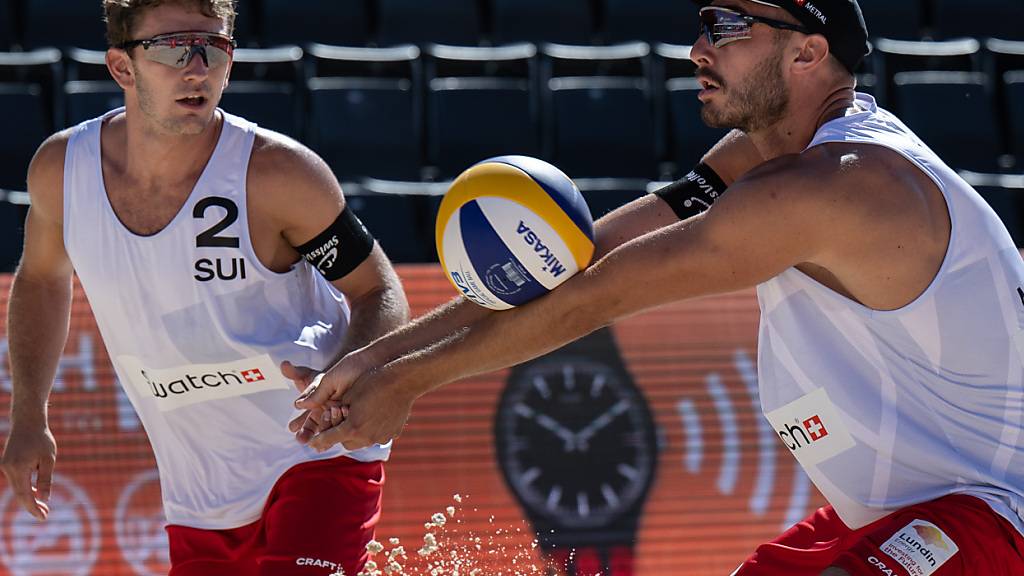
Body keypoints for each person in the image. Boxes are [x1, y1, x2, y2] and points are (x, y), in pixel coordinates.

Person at [292, 0, 1024, 574]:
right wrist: (375, 358)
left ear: (809, 51)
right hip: (911, 508)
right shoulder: (768, 153)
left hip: (996, 516)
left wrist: (409, 382)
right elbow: (579, 260)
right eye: (701, 24)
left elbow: (596, 298)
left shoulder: (833, 185)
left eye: (727, 24)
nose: (698, 47)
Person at [0, 1, 410, 575]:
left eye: (213, 47)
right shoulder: (62, 170)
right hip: (200, 491)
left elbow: (380, 290)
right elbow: (42, 280)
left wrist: (342, 378)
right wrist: (27, 419)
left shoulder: (277, 172)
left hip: (315, 452)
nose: (197, 67)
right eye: (172, 48)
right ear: (122, 67)